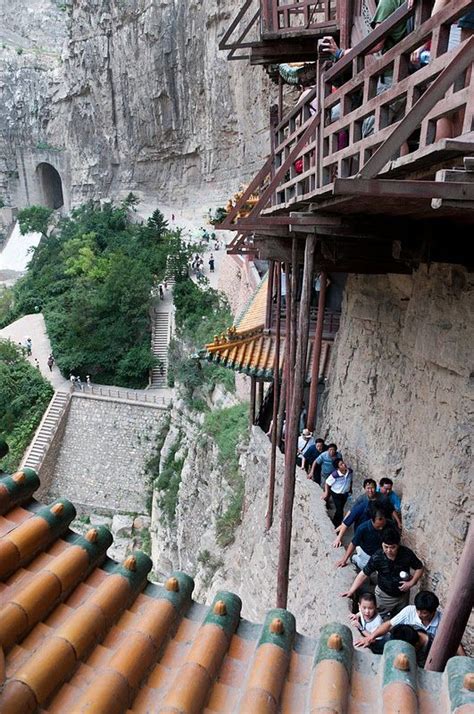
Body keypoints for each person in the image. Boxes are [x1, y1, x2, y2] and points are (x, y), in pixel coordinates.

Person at [341, 527, 424, 617]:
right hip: (384, 596)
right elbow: (364, 574)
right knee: (374, 618)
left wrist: (411, 583)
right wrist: (351, 590)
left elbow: (419, 567)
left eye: (393, 547)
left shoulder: (407, 554)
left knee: (400, 619)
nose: (389, 550)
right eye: (386, 547)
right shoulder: (377, 557)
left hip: (403, 597)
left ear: (398, 545)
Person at [333, 478, 400, 547]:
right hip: (363, 523)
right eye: (368, 488)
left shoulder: (383, 498)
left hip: (378, 525)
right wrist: (341, 529)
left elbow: (391, 510)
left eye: (372, 488)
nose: (370, 490)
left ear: (376, 488)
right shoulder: (362, 500)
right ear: (364, 488)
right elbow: (351, 513)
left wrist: (398, 522)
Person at [336, 504, 397, 570]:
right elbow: (353, 543)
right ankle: (355, 558)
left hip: (382, 551)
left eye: (383, 525)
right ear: (372, 520)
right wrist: (344, 560)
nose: (381, 528)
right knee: (364, 567)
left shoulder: (390, 524)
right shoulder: (362, 528)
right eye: (378, 527)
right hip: (366, 552)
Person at [321, 458, 353, 527]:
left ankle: (335, 521)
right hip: (336, 494)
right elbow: (327, 482)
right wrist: (326, 492)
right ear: (338, 467)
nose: (344, 465)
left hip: (345, 494)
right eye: (341, 464)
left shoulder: (349, 472)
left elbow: (350, 480)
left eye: (343, 463)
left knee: (340, 508)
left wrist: (350, 489)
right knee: (340, 510)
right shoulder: (335, 475)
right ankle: (338, 526)